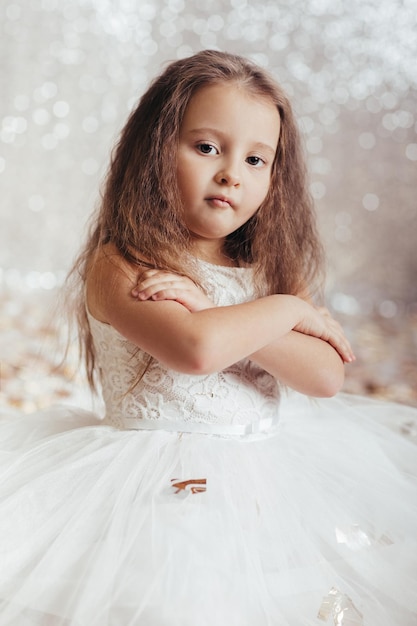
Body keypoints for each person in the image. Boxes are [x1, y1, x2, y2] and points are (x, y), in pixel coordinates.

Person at [0, 50, 416, 626]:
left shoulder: (268, 277)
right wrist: (288, 311)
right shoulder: (126, 267)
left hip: (266, 487)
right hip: (154, 490)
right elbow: (196, 348)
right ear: (154, 152)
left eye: (255, 159)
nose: (231, 174)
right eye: (206, 148)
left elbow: (324, 377)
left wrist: (241, 305)